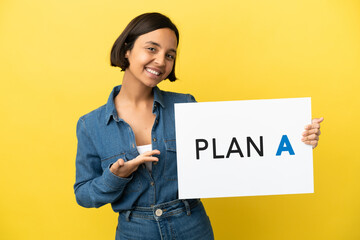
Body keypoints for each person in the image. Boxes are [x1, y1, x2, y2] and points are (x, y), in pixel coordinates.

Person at [74, 12, 323, 240]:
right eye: (151, 48)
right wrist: (115, 178)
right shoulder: (90, 125)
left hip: (191, 225)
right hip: (134, 230)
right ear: (127, 49)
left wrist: (298, 141)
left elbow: (236, 152)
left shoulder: (185, 106)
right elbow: (84, 195)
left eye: (170, 55)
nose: (161, 61)